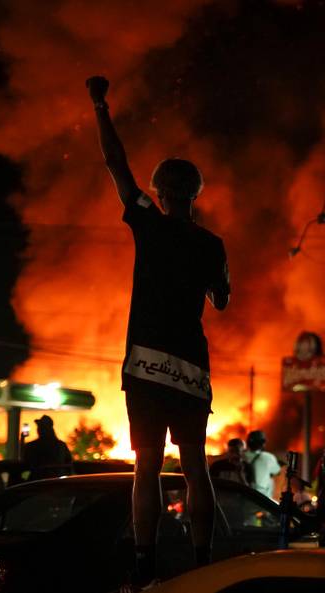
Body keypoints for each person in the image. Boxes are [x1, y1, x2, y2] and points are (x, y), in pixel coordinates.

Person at [87, 75, 230, 589]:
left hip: (146, 360)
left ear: (159, 191)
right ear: (196, 193)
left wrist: (101, 105)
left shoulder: (147, 221)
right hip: (192, 364)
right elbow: (222, 297)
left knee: (145, 465)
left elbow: (115, 164)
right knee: (196, 466)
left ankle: (145, 561)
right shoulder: (212, 244)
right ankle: (201, 558)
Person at [21, 415, 73, 480]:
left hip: (37, 483)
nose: (38, 429)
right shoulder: (61, 445)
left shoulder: (32, 446)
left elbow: (25, 465)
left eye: (40, 427)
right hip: (58, 482)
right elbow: (69, 464)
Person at [244, 430, 281, 499]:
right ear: (262, 443)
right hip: (262, 498)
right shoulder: (268, 457)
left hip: (244, 494)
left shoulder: (241, 456)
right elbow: (277, 471)